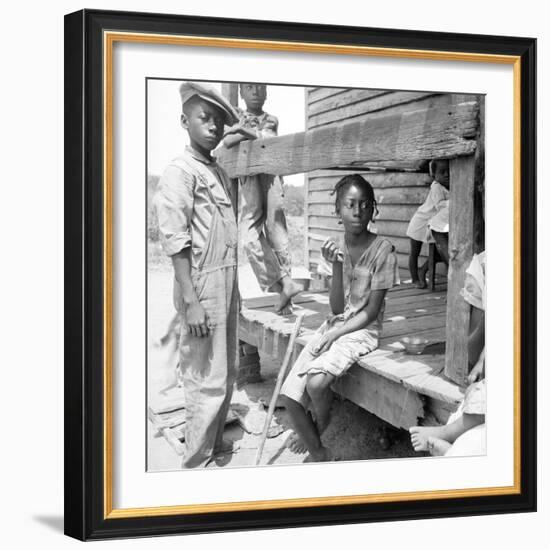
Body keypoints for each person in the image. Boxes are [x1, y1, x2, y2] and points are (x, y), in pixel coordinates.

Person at [279, 174, 400, 462]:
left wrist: (335, 335)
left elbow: (370, 313)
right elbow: (335, 310)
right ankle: (320, 452)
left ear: (373, 210)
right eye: (350, 204)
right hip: (335, 325)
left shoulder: (384, 251)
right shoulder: (335, 247)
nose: (357, 211)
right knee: (289, 398)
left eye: (364, 205)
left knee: (317, 383)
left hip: (363, 330)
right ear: (338, 210)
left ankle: (323, 423)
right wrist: (335, 265)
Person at [153, 81, 240, 468]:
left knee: (223, 371)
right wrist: (190, 301)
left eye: (219, 122)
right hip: (201, 284)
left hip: (226, 279)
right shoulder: (180, 171)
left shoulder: (215, 170)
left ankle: (213, 443)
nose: (214, 127)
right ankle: (196, 462)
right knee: (202, 375)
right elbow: (175, 240)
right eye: (205, 119)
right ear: (184, 120)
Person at [223, 83, 301, 314]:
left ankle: (287, 295)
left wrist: (243, 131)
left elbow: (268, 138)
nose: (255, 92)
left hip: (270, 175)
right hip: (249, 175)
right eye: (249, 88)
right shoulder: (236, 115)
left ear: (266, 93)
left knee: (277, 230)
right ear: (242, 93)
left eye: (260, 88)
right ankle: (284, 285)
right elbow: (226, 142)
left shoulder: (271, 119)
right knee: (249, 235)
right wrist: (239, 131)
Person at [409, 250, 486, 456]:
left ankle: (446, 437)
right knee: (478, 402)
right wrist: (481, 361)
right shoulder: (484, 265)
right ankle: (448, 440)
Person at [406, 159, 450, 287]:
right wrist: (455, 200)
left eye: (449, 171)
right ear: (434, 176)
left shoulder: (448, 187)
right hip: (419, 222)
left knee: (440, 251)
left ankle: (423, 271)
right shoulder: (436, 186)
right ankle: (415, 279)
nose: (447, 174)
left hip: (431, 223)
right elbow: (440, 205)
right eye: (442, 172)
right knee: (415, 252)